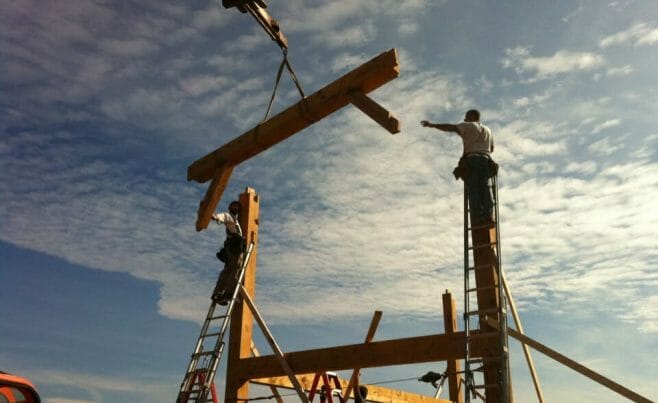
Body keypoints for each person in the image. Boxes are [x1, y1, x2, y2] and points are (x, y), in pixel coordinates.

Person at [421, 109, 496, 225]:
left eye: (466, 117)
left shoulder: (468, 125)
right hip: (485, 160)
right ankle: (489, 216)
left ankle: (477, 219)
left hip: (472, 159)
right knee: (485, 189)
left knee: (474, 190)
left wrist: (432, 125)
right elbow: (491, 149)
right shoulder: (488, 130)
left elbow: (450, 127)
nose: (465, 119)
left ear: (472, 116)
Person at [211, 200, 245, 305]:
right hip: (234, 246)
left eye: (237, 207)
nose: (235, 208)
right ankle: (228, 293)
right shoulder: (227, 216)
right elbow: (220, 217)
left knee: (227, 270)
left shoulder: (237, 221)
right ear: (230, 207)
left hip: (232, 246)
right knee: (236, 269)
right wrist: (214, 216)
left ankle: (217, 293)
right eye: (233, 206)